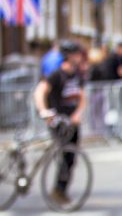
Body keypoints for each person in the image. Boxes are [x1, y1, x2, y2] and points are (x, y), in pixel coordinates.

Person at [33, 40, 87, 204]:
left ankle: (61, 190)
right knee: (63, 155)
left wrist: (78, 113)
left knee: (71, 157)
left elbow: (82, 97)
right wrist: (44, 112)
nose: (79, 57)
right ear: (69, 56)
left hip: (72, 122)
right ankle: (58, 189)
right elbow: (40, 92)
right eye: (76, 54)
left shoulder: (76, 75)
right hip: (58, 121)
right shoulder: (56, 75)